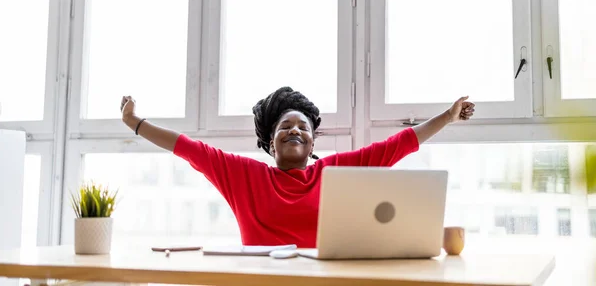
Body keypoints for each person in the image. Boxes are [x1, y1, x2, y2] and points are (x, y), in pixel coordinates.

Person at [120, 86, 474, 248]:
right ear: (269, 141)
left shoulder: (334, 171)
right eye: (285, 127)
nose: (295, 130)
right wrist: (135, 122)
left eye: (303, 127)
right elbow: (187, 147)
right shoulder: (244, 175)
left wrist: (448, 116)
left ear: (313, 142)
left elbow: (395, 147)